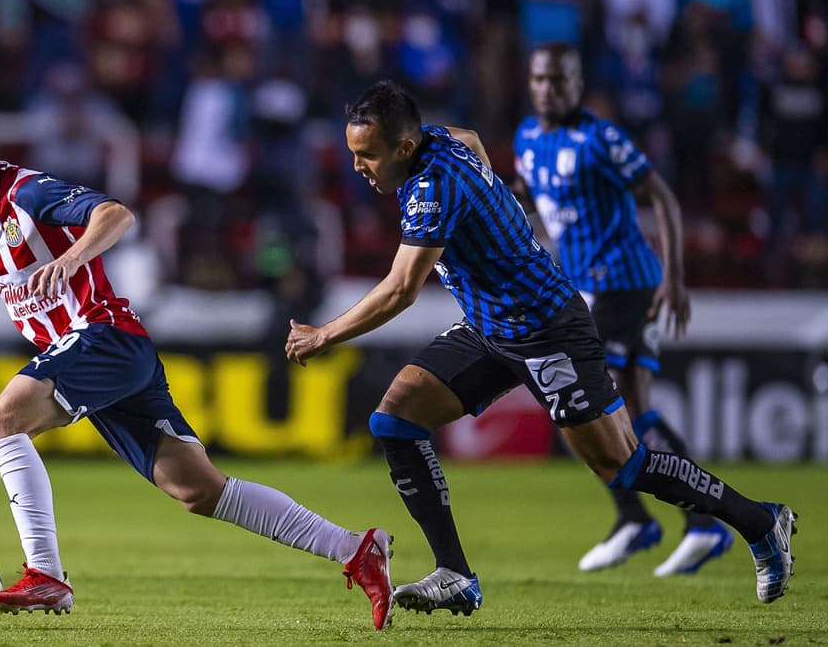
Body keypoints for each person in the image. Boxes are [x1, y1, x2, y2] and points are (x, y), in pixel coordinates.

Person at [285, 81, 796, 615]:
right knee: (395, 420)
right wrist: (499, 212)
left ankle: (762, 523)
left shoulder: (432, 186)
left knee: (622, 465)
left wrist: (324, 335)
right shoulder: (437, 140)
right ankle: (456, 573)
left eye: (366, 155)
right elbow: (473, 137)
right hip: (491, 327)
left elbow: (400, 290)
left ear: (404, 148)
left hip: (548, 330)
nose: (359, 167)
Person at [0, 99, 394, 629]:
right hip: (99, 358)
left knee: (0, 421)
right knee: (199, 489)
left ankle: (45, 572)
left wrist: (71, 259)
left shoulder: (27, 192)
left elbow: (116, 214)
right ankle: (356, 548)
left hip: (102, 336)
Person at [512, 42, 732, 576]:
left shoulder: (600, 138)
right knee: (632, 409)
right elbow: (532, 196)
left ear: (578, 85)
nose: (549, 89)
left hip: (626, 287)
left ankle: (638, 519)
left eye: (560, 81)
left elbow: (664, 198)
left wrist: (675, 278)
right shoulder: (527, 138)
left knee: (570, 398)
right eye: (541, 79)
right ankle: (700, 523)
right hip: (586, 288)